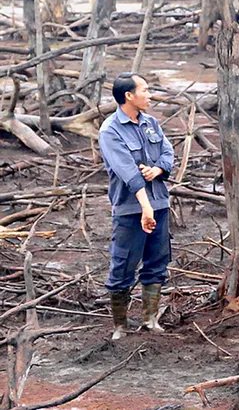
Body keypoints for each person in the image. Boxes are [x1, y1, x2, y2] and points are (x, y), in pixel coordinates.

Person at [98, 73, 174, 340]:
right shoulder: (110, 131)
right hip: (131, 209)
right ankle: (120, 326)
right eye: (145, 90)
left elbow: (168, 153)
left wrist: (157, 170)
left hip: (159, 202)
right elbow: (127, 172)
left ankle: (149, 320)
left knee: (157, 261)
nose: (149, 95)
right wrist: (145, 207)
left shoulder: (151, 123)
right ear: (128, 95)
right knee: (123, 265)